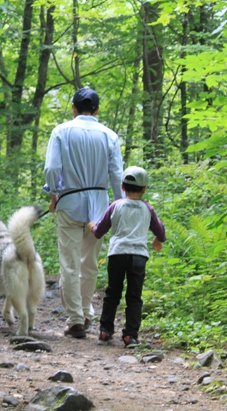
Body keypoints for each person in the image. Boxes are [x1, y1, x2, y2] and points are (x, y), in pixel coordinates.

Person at [43, 87, 124, 339]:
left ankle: (76, 319)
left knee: (69, 262)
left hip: (69, 202)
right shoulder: (109, 135)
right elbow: (116, 175)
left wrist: (54, 194)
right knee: (89, 263)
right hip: (99, 206)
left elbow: (52, 167)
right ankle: (86, 315)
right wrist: (120, 205)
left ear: (74, 108)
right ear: (97, 110)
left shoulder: (61, 131)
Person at [87, 166, 166, 348]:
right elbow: (160, 231)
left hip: (117, 254)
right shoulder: (148, 209)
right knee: (134, 296)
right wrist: (156, 239)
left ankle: (105, 331)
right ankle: (130, 336)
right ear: (145, 188)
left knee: (112, 293)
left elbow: (99, 232)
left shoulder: (116, 206)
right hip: (138, 256)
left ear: (122, 187)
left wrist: (92, 226)